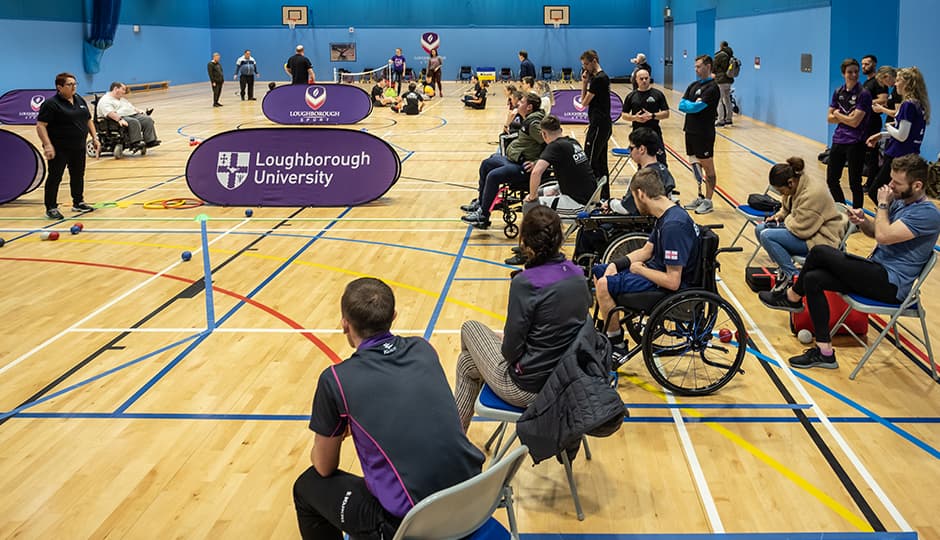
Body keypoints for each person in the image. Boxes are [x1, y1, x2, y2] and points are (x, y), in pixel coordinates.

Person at [293, 277, 484, 539]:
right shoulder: (423, 348)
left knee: (306, 487)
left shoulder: (335, 379)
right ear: (394, 316)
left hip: (415, 522)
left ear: (344, 325)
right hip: (473, 498)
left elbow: (325, 467)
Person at [759, 154, 940, 369]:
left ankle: (792, 296)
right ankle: (825, 352)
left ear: (917, 185)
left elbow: (884, 236)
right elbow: (876, 232)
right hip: (875, 270)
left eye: (896, 183)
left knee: (819, 252)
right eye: (891, 179)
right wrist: (863, 221)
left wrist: (882, 205)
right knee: (814, 279)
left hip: (891, 284)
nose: (890, 186)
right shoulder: (901, 202)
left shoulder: (927, 214)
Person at [454, 207, 592, 429]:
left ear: (525, 243)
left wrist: (508, 339)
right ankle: (456, 437)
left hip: (529, 389)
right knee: (466, 364)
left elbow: (510, 352)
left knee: (469, 327)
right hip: (568, 380)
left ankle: (454, 445)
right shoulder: (577, 274)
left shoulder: (526, 283)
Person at [593, 167, 700, 355]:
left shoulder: (674, 226)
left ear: (641, 194)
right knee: (600, 271)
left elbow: (672, 281)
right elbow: (646, 250)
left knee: (603, 285)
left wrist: (639, 270)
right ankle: (606, 330)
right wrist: (614, 265)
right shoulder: (665, 216)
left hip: (667, 287)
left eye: (633, 197)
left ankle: (616, 345)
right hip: (654, 274)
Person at [754, 157, 846, 292]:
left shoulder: (812, 194)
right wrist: (779, 216)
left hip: (820, 239)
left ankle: (795, 278)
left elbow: (801, 230)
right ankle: (784, 269)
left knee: (767, 236)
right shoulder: (795, 185)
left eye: (781, 191)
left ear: (790, 183)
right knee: (760, 228)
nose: (781, 194)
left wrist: (786, 220)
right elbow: (787, 209)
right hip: (803, 229)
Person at [461, 93, 545, 229]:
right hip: (516, 159)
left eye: (521, 102)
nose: (518, 104)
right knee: (486, 164)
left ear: (529, 107)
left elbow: (551, 144)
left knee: (493, 176)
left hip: (525, 166)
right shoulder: (528, 119)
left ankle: (483, 216)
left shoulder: (534, 124)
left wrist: (537, 162)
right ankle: (481, 203)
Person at [35, 72, 99, 220]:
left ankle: (78, 202)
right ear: (59, 87)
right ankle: (51, 207)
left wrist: (95, 137)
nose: (73, 87)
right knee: (55, 177)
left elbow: (88, 120)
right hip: (59, 148)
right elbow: (41, 126)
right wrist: (48, 145)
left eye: (75, 84)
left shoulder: (79, 99)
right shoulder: (51, 104)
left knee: (78, 175)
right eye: (70, 84)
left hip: (78, 146)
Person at [865, 66, 930, 202]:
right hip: (908, 155)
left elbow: (901, 135)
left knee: (876, 192)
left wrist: (888, 127)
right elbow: (906, 133)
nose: (895, 83)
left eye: (899, 80)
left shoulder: (908, 105)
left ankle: (890, 219)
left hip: (898, 156)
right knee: (897, 195)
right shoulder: (919, 104)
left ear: (908, 84)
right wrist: (882, 135)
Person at [825, 58, 872, 209]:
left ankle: (858, 216)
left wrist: (838, 115)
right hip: (839, 140)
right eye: (850, 72)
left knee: (854, 182)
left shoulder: (863, 94)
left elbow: (855, 122)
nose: (853, 75)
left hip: (856, 143)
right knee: (832, 179)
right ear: (843, 73)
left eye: (856, 72)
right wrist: (846, 117)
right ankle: (844, 211)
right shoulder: (838, 92)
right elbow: (829, 118)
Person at [679, 54, 721, 214]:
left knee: (708, 168)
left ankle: (709, 200)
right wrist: (691, 104)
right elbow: (682, 105)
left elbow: (696, 108)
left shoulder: (712, 88)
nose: (696, 69)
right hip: (689, 130)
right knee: (695, 166)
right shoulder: (693, 85)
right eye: (695, 66)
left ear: (708, 66)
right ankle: (700, 196)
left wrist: (692, 105)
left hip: (704, 133)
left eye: (698, 66)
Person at [606, 127, 676, 215]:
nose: (629, 151)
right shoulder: (664, 169)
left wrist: (610, 202)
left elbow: (626, 209)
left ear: (642, 149)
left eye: (631, 148)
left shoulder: (644, 177)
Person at [580, 49, 612, 198]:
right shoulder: (601, 77)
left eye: (586, 64)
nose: (585, 67)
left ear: (594, 61)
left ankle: (591, 195)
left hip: (599, 125)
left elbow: (584, 102)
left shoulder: (599, 79)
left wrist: (584, 83)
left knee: (590, 160)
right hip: (602, 124)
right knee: (600, 161)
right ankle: (604, 196)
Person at [621, 68, 670, 165]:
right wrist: (635, 118)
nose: (644, 81)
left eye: (646, 78)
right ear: (636, 80)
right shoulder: (631, 96)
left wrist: (652, 115)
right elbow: (624, 115)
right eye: (641, 79)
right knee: (641, 164)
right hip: (638, 135)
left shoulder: (657, 94)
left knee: (661, 162)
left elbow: (666, 113)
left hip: (655, 134)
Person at [97, 82, 160, 149]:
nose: (124, 92)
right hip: (116, 118)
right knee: (133, 122)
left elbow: (130, 107)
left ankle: (150, 141)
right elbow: (110, 113)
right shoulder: (105, 100)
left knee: (147, 119)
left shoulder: (121, 99)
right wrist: (120, 119)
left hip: (131, 114)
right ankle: (135, 142)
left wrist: (139, 111)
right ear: (115, 89)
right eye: (123, 89)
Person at [861, 55, 889, 187]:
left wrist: (865, 102)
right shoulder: (866, 83)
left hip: (873, 122)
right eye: (863, 64)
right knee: (864, 152)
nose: (864, 66)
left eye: (867, 64)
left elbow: (883, 99)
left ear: (874, 64)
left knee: (873, 155)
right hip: (864, 122)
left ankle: (871, 183)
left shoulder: (878, 82)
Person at [713, 41, 735, 127]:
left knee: (719, 100)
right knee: (727, 99)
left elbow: (714, 67)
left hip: (720, 80)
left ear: (721, 46)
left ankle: (720, 120)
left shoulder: (719, 55)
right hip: (729, 80)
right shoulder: (731, 55)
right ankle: (729, 119)